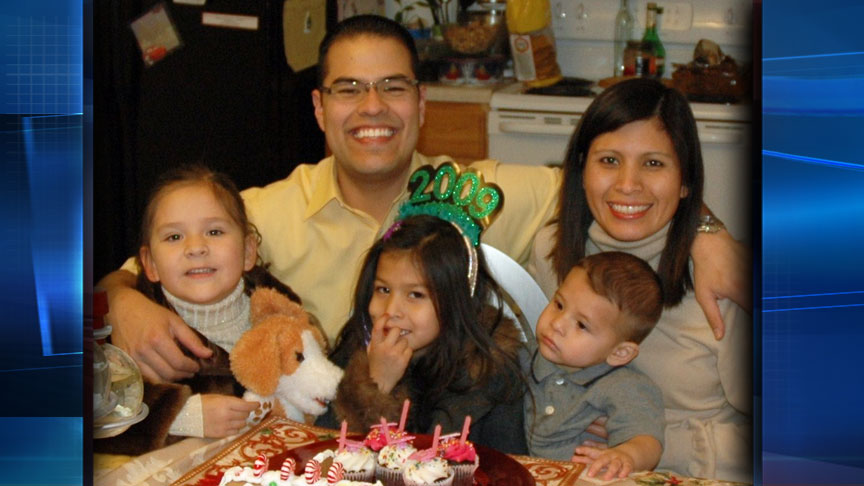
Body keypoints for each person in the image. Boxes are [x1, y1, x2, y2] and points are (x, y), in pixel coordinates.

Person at [97, 14, 749, 387]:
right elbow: (134, 270)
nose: (373, 108)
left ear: (421, 104)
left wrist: (709, 230)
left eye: (392, 88)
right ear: (320, 108)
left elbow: (615, 184)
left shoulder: (483, 191)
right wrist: (122, 305)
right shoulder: (258, 214)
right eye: (350, 89)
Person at [529, 77, 751, 482]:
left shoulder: (720, 275)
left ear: (685, 181)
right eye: (609, 160)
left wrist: (653, 444)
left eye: (654, 163)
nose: (628, 185)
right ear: (580, 169)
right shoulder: (551, 253)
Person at [95, 165, 305, 455]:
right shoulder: (132, 329)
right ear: (150, 263)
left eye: (214, 231)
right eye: (174, 237)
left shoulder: (279, 312)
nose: (196, 247)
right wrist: (184, 416)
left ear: (247, 251)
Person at [323, 214, 527, 454]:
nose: (391, 311)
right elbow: (323, 451)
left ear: (456, 300)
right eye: (383, 289)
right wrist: (373, 386)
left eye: (416, 295)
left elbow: (508, 467)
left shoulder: (490, 371)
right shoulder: (357, 348)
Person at [524, 251, 665, 480]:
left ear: (620, 352)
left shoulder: (624, 386)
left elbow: (647, 440)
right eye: (559, 304)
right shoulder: (525, 356)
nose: (557, 324)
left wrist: (625, 454)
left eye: (581, 325)